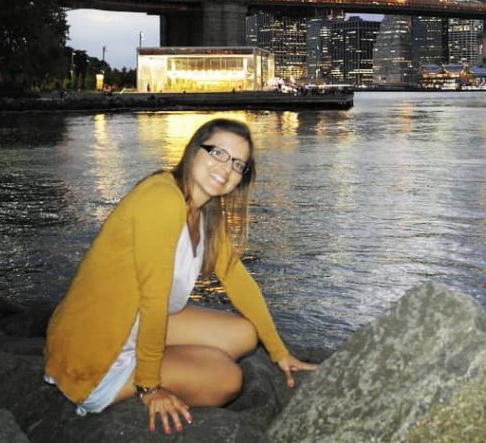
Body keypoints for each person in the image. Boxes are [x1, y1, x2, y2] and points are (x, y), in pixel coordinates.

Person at [44, 118, 315, 434]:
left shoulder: (204, 211)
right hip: (93, 354)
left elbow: (236, 278)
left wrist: (279, 352)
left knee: (244, 335)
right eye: (218, 153)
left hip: (131, 322)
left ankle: (167, 363)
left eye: (238, 164)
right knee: (227, 379)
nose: (226, 169)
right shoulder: (162, 199)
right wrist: (149, 387)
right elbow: (154, 298)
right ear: (192, 151)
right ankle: (135, 377)